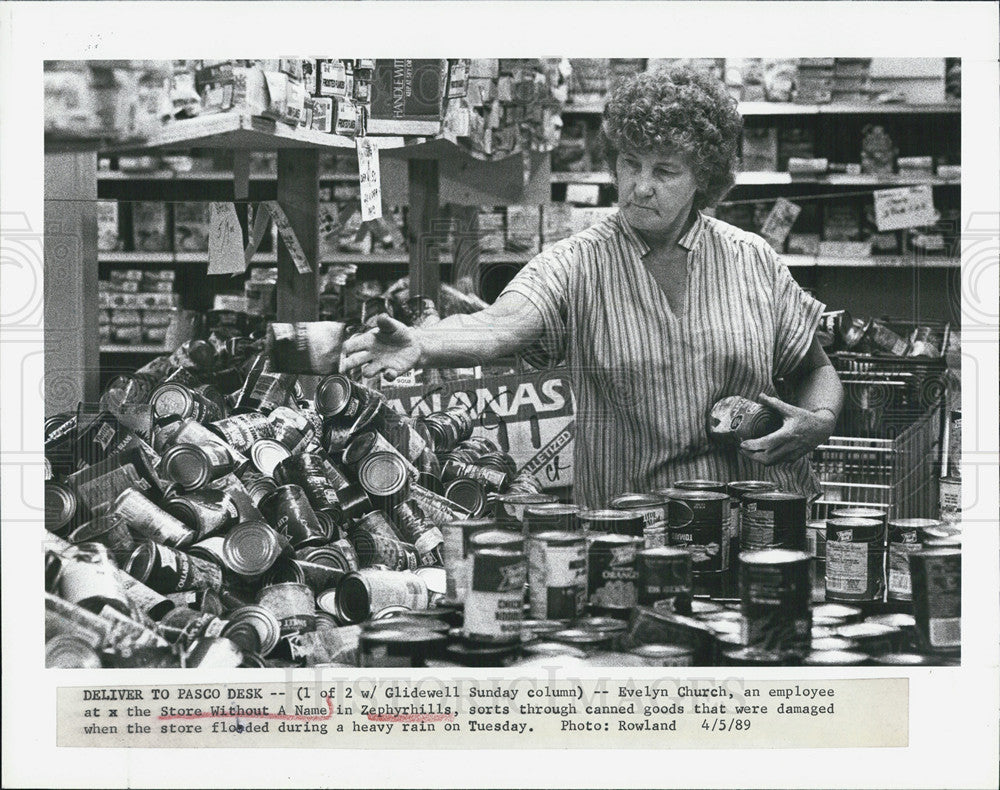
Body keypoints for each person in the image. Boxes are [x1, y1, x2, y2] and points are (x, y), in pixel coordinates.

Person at [342, 67, 843, 508]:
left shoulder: (751, 257)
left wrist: (818, 420)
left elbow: (814, 368)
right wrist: (423, 343)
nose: (641, 185)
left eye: (665, 170)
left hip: (760, 519)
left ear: (703, 177)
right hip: (632, 532)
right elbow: (502, 324)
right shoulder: (578, 261)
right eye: (630, 163)